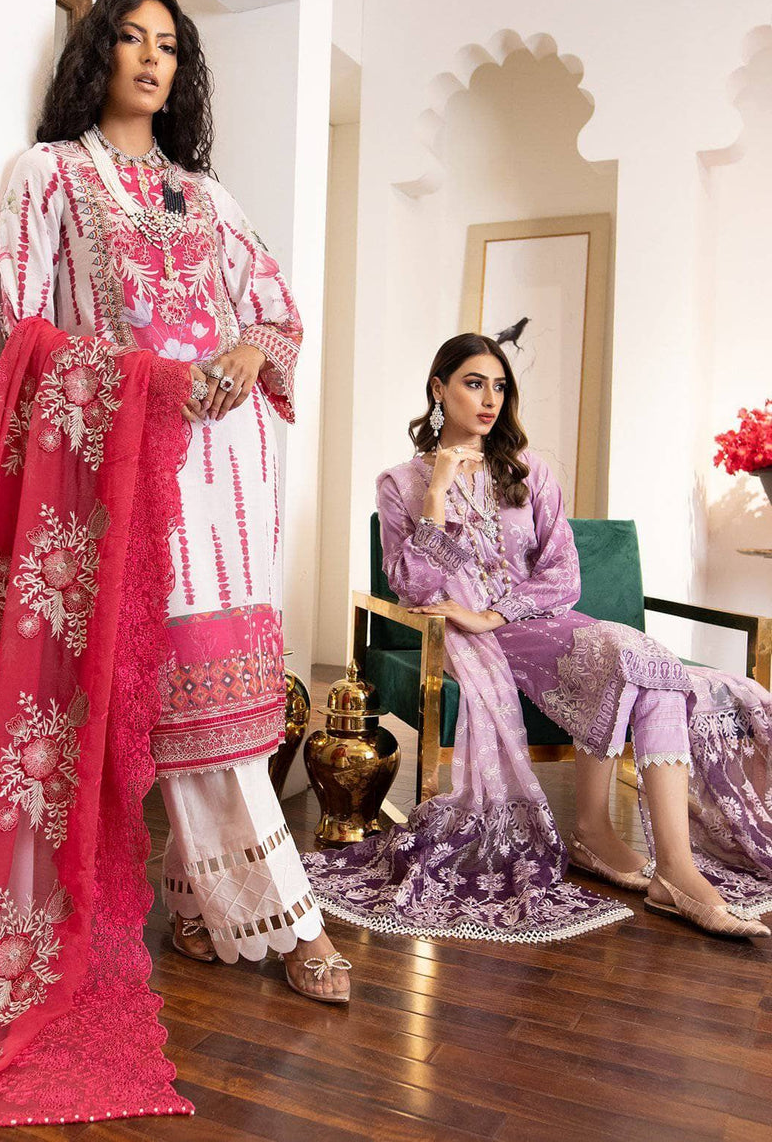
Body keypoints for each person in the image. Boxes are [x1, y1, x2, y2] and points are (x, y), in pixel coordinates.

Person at [0, 0, 347, 1130]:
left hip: (224, 470)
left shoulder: (208, 196)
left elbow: (275, 312)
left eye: (168, 45)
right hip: (126, 457)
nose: (149, 58)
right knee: (170, 683)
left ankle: (201, 907)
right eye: (129, 39)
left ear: (183, 72)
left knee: (221, 691)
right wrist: (141, 380)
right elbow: (26, 332)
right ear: (96, 56)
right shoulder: (49, 176)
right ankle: (289, 918)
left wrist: (245, 350)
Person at [304, 332, 772, 944]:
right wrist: (438, 491)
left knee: (649, 667)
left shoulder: (527, 471)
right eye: (474, 383)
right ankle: (624, 849)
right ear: (439, 389)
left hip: (534, 623)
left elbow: (563, 575)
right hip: (472, 642)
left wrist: (494, 613)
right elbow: (415, 585)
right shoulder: (401, 482)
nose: (490, 399)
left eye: (499, 386)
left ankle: (658, 863)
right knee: (637, 660)